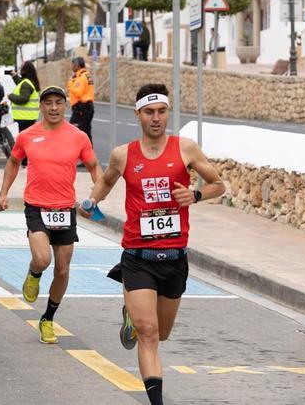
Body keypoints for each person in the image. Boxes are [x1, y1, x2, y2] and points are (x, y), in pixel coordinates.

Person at [79, 84, 225, 405]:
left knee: (163, 332)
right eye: (149, 112)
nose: (156, 118)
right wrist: (92, 200)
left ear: (167, 112)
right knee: (149, 333)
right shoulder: (123, 154)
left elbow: (218, 184)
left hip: (174, 258)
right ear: (138, 115)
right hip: (138, 256)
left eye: (161, 111)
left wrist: (196, 195)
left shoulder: (185, 148)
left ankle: (130, 314)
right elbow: (106, 180)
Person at [0, 85, 101, 344]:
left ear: (65, 106)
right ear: (41, 106)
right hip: (37, 207)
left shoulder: (78, 136)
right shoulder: (28, 135)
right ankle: (34, 274)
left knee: (63, 270)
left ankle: (48, 319)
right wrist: (3, 193)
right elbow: (12, 162)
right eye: (48, 103)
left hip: (65, 208)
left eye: (58, 103)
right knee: (42, 259)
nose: (53, 108)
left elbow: (95, 167)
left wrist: (95, 199)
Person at [9, 61, 41, 166]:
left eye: (21, 68)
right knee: (27, 140)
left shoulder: (26, 83)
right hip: (27, 117)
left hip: (24, 117)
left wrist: (10, 96)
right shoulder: (27, 82)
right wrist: (14, 76)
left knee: (24, 141)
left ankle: (25, 162)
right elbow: (21, 85)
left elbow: (23, 98)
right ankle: (26, 161)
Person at [67, 57, 94, 144]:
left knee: (73, 130)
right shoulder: (86, 75)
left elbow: (78, 92)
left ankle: (78, 153)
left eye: (72, 64)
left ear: (77, 65)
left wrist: (71, 84)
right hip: (86, 107)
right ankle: (88, 154)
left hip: (82, 108)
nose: (71, 66)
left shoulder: (81, 77)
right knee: (86, 132)